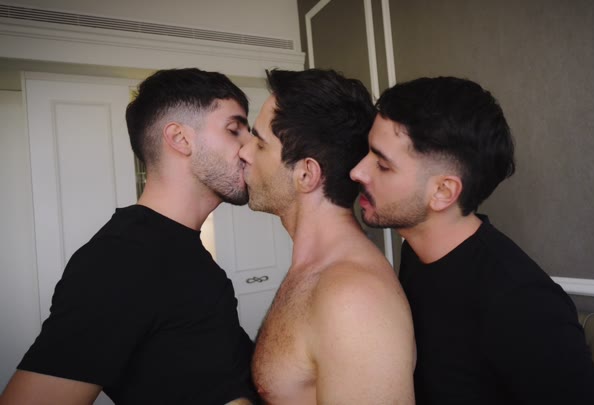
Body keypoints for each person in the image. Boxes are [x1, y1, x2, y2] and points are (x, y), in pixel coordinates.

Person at [0, 68, 258, 405]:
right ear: (180, 139)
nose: (250, 149)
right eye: (234, 130)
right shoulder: (121, 259)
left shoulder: (182, 250)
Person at [350, 76, 594, 405]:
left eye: (382, 164)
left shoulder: (521, 302)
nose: (357, 171)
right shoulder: (416, 254)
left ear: (443, 192)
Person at [238, 69, 415, 405]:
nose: (244, 152)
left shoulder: (353, 300)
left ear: (306, 174)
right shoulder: (314, 270)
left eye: (260, 143)